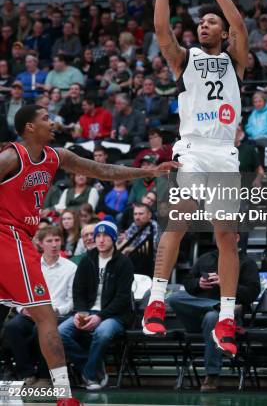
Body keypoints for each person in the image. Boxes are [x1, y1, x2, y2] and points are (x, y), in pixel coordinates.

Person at [0, 103, 177, 405]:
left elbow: (102, 170)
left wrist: (149, 171)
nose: (53, 123)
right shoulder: (11, 156)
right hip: (8, 236)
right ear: (29, 127)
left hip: (21, 237)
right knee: (46, 317)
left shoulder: (57, 157)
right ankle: (64, 396)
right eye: (45, 119)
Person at [142, 0, 248, 358]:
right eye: (201, 22)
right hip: (191, 149)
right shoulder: (184, 59)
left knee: (228, 237)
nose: (203, 26)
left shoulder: (235, 60)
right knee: (179, 222)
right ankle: (155, 300)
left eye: (210, 22)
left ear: (222, 33)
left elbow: (238, 21)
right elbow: (161, 27)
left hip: (224, 152)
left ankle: (226, 319)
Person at [167, 235, 260, 391]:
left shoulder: (247, 262)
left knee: (212, 318)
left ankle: (212, 375)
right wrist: (199, 283)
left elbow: (252, 293)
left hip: (228, 317)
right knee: (175, 298)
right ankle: (217, 305)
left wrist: (226, 284)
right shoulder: (206, 258)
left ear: (236, 238)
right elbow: (188, 282)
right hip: (198, 313)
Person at [58, 220, 134, 391]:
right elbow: (78, 290)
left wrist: (100, 316)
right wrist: (81, 312)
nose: (100, 240)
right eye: (97, 236)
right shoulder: (87, 260)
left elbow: (122, 298)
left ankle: (90, 376)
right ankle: (93, 366)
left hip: (115, 315)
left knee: (102, 332)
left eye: (105, 236)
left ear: (113, 238)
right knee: (60, 333)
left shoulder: (124, 263)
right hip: (88, 310)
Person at [3, 226, 77, 388]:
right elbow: (18, 297)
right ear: (40, 244)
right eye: (49, 241)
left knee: (42, 328)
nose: (54, 244)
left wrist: (57, 310)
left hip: (57, 314)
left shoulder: (71, 268)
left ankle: (45, 376)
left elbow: (72, 301)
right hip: (32, 312)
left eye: (57, 240)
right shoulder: (31, 266)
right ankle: (26, 374)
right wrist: (22, 309)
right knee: (12, 327)